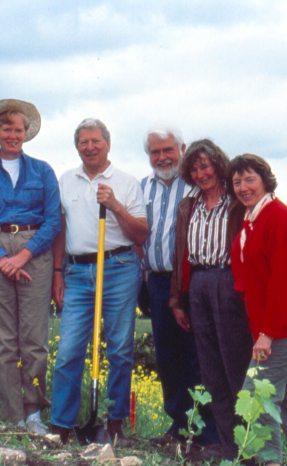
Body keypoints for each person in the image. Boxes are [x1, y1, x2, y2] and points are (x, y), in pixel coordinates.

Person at [0, 99, 61, 434]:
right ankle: (13, 417)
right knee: (2, 340)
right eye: (6, 129)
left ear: (27, 133)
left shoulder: (43, 171)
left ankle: (34, 413)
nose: (12, 135)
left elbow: (52, 220)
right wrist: (2, 258)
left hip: (35, 252)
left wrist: (23, 255)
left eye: (18, 129)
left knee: (34, 338)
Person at [50, 118, 148, 445]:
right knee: (68, 351)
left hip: (119, 267)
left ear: (108, 143)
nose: (90, 147)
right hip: (78, 271)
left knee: (119, 348)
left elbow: (140, 234)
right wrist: (58, 272)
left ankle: (115, 423)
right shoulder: (66, 180)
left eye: (96, 141)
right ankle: (62, 424)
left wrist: (115, 205)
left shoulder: (127, 182)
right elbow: (60, 230)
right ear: (77, 146)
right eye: (83, 142)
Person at [228, 154, 287, 466]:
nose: (243, 187)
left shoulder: (278, 217)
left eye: (250, 179)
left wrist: (266, 335)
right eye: (237, 181)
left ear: (265, 180)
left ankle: (270, 461)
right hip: (275, 323)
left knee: (258, 395)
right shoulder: (253, 217)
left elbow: (281, 283)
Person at [168, 139, 253, 460]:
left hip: (230, 282)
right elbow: (180, 255)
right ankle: (228, 448)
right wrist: (177, 300)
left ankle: (250, 449)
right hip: (199, 284)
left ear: (218, 165)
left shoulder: (237, 200)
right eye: (194, 168)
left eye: (205, 166)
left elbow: (266, 221)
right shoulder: (188, 206)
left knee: (236, 367)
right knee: (211, 370)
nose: (200, 173)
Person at [139, 127, 220, 452]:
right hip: (157, 281)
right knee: (168, 356)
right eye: (155, 152)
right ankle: (178, 425)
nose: (162, 158)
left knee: (201, 356)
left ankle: (210, 432)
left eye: (168, 150)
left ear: (182, 148)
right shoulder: (142, 187)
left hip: (194, 279)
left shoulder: (198, 182)